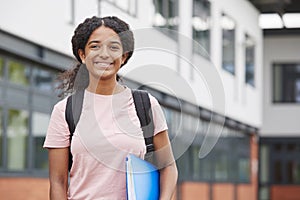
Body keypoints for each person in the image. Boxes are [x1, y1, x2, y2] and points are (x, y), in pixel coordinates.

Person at [43, 16, 178, 200]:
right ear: (83, 55)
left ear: (123, 57)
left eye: (113, 47)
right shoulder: (65, 111)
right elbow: (58, 181)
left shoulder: (146, 105)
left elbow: (168, 167)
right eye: (95, 46)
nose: (104, 54)